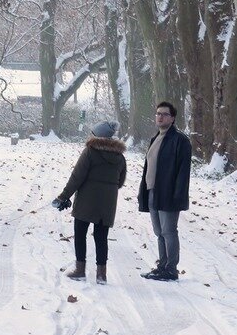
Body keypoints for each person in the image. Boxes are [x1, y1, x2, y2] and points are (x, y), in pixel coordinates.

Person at [51, 121, 127, 284]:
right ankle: (101, 274)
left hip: (87, 199)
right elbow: (120, 181)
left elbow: (77, 177)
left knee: (80, 233)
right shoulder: (120, 157)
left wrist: (63, 196)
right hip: (107, 202)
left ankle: (80, 270)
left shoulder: (90, 152)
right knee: (101, 236)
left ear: (96, 136)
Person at [138, 101, 192, 281]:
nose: (160, 117)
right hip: (153, 191)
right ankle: (162, 266)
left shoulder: (180, 140)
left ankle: (171, 270)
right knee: (159, 232)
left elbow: (183, 172)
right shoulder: (155, 138)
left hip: (169, 194)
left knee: (169, 231)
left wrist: (177, 196)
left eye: (164, 114)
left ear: (173, 118)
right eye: (158, 113)